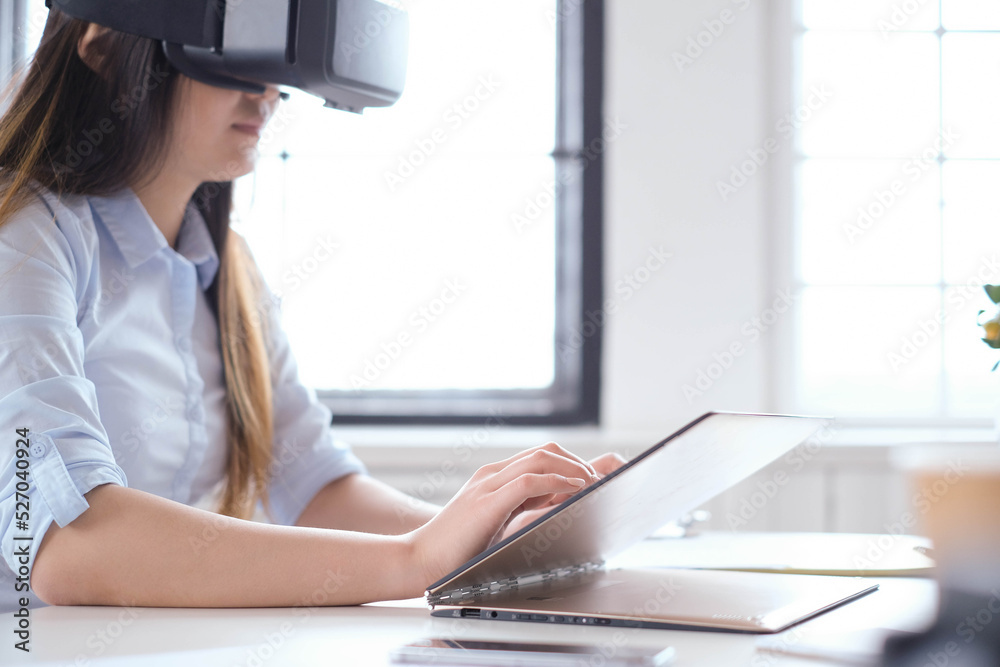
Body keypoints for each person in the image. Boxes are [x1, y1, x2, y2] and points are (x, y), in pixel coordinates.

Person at [0, 9, 624, 609]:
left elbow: (311, 486)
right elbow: (64, 543)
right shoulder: (24, 239)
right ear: (102, 44)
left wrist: (489, 543)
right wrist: (414, 560)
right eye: (229, 51)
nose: (267, 93)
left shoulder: (228, 268)